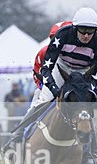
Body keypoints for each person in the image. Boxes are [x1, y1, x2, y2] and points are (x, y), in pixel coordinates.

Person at [35, 7, 97, 164]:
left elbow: (95, 75)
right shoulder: (62, 35)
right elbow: (46, 69)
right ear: (75, 28)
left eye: (91, 32)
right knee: (42, 101)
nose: (87, 35)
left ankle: (90, 153)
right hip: (61, 67)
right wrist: (55, 90)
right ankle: (18, 138)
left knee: (85, 110)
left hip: (83, 73)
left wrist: (87, 92)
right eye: (83, 31)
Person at [5, 20, 72, 148]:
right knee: (36, 106)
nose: (55, 41)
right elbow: (36, 72)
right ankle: (17, 137)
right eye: (53, 38)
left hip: (68, 91)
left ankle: (92, 148)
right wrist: (44, 88)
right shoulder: (43, 52)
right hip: (46, 89)